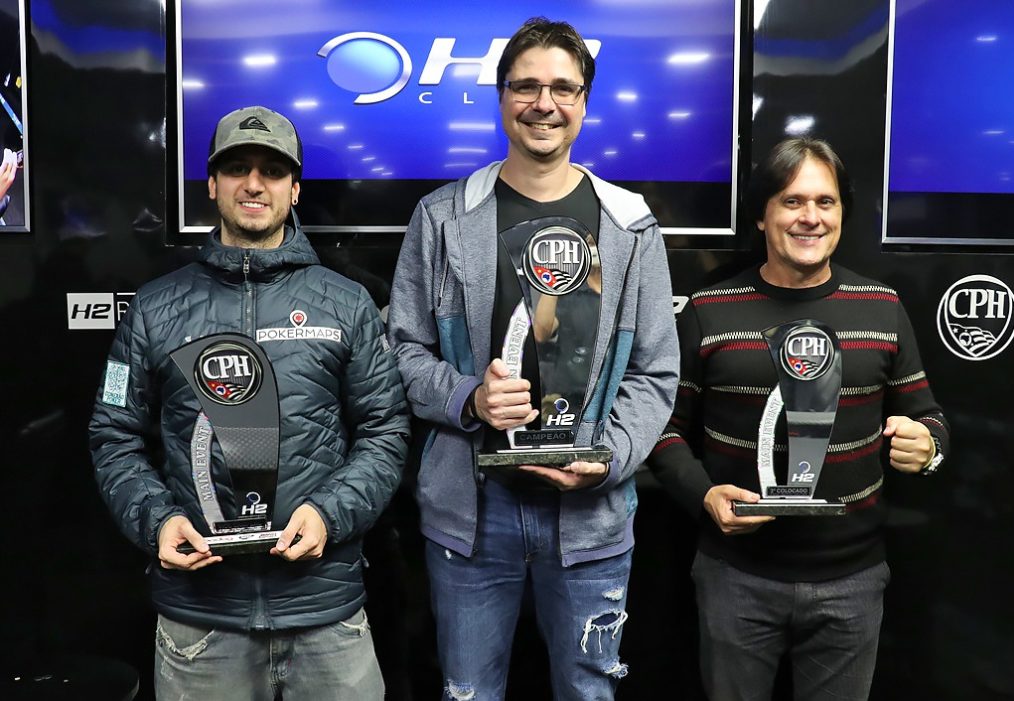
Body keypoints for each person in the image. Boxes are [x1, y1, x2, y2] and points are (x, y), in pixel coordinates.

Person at [387, 17, 678, 701]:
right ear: (501, 97)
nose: (543, 103)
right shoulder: (442, 216)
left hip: (591, 518)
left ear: (584, 102)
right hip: (471, 511)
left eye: (563, 88)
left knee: (588, 690)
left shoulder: (632, 226)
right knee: (468, 691)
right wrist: (468, 397)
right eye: (526, 87)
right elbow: (401, 348)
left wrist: (605, 456)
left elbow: (657, 372)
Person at [89, 105, 409, 701]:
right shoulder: (156, 307)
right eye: (237, 168)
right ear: (211, 185)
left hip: (325, 614)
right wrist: (157, 521)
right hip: (202, 622)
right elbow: (114, 434)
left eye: (271, 170)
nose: (254, 184)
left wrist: (330, 514)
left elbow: (385, 430)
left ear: (295, 189)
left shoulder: (348, 303)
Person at [647, 137, 950, 701]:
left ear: (842, 214)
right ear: (762, 215)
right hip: (735, 578)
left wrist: (927, 447)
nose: (810, 217)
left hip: (852, 582)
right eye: (791, 201)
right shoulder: (709, 311)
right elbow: (663, 432)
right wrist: (705, 497)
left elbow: (928, 417)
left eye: (825, 202)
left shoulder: (882, 308)